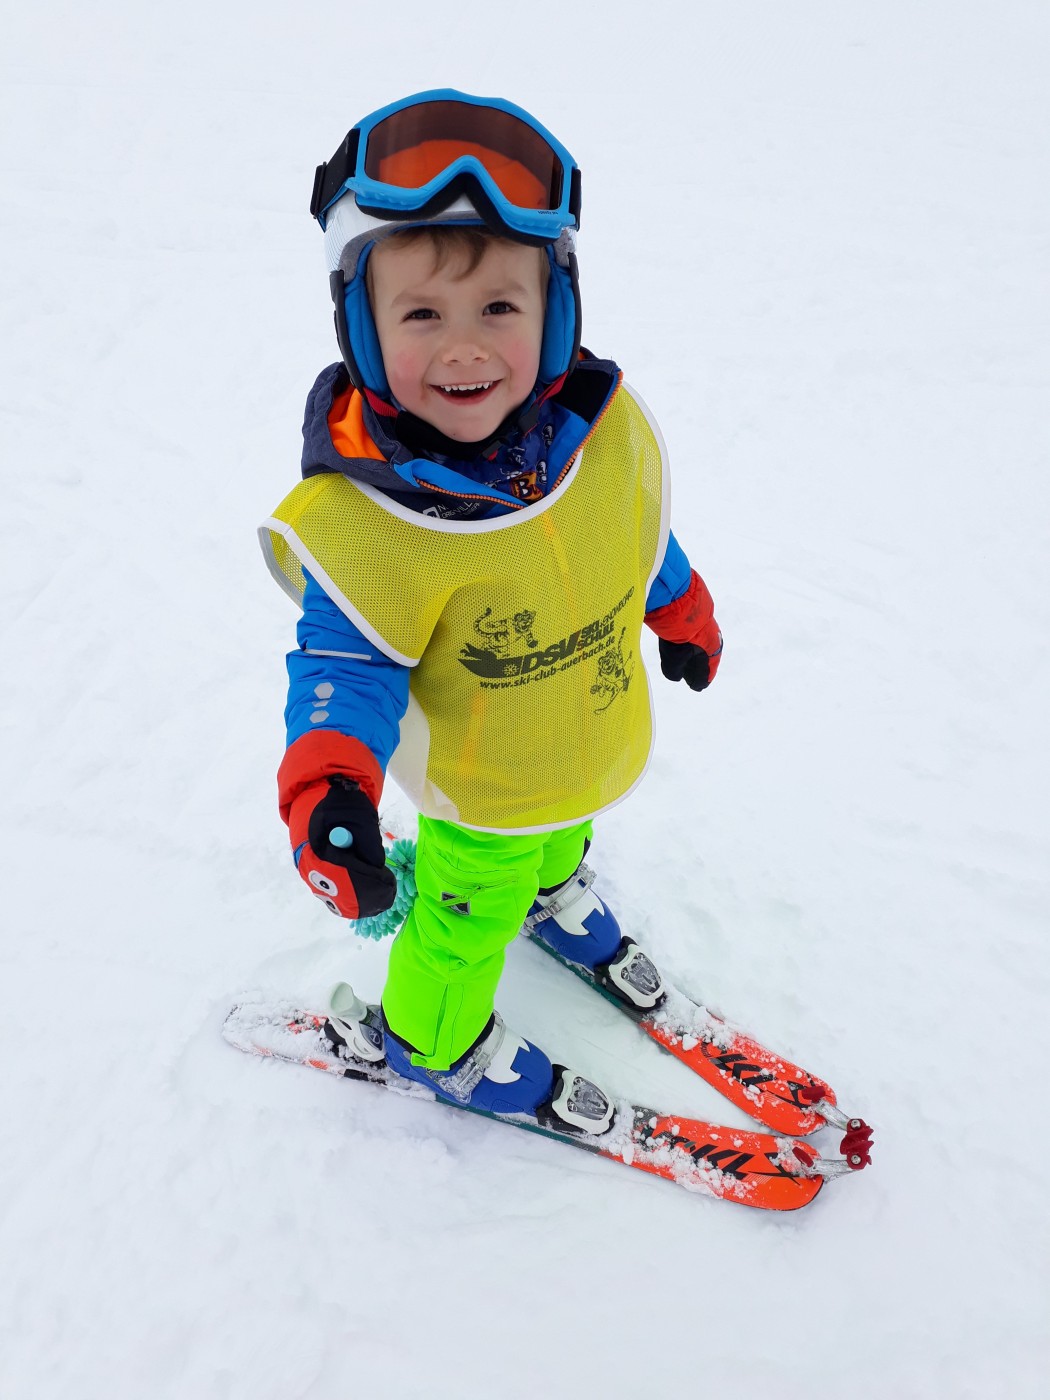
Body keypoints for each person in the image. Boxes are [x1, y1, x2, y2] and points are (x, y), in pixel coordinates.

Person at [261, 90, 722, 1135]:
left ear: (556, 312)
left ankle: (554, 887)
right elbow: (345, 669)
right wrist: (330, 786)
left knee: (564, 821)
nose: (464, 348)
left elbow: (632, 534)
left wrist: (682, 607)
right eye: (422, 315)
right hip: (480, 796)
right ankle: (434, 1044)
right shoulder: (373, 523)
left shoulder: (594, 440)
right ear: (363, 327)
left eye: (500, 310)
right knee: (464, 927)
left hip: (580, 736)